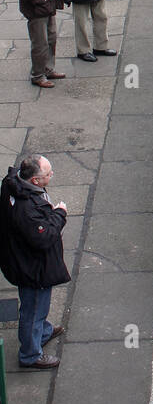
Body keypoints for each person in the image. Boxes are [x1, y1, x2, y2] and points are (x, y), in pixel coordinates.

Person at [0, 154, 69, 369]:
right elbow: (44, 237)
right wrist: (60, 214)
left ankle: (44, 331)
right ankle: (30, 354)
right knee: (33, 309)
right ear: (35, 180)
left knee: (37, 306)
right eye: (48, 174)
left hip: (19, 258)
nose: (52, 175)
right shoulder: (27, 210)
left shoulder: (12, 184)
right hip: (33, 268)